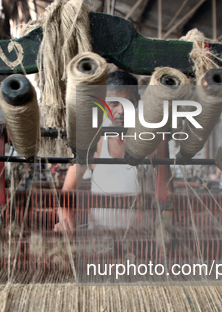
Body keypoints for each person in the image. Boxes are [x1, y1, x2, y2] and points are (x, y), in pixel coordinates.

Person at [54, 70, 155, 231]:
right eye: (114, 103)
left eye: (128, 102)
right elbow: (68, 189)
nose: (121, 110)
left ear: (137, 101)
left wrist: (165, 233)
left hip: (144, 240)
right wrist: (65, 219)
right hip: (100, 241)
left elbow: (167, 194)